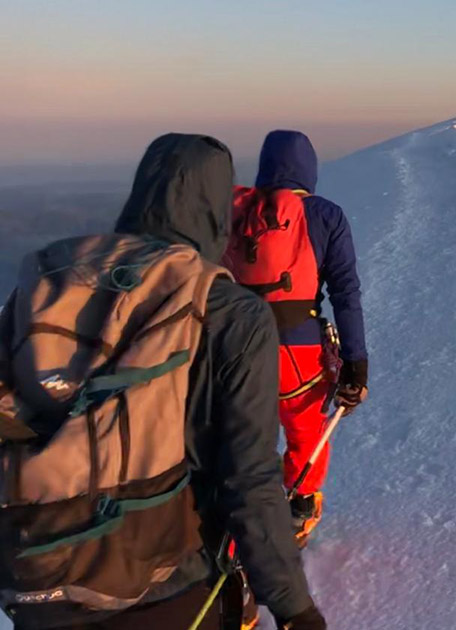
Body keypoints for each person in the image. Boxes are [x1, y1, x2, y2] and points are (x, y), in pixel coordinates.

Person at [0, 134, 325, 629]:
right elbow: (249, 478)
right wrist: (293, 607)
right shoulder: (229, 310)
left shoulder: (46, 287)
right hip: (166, 581)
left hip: (33, 572)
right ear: (219, 209)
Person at [227, 130, 369, 547]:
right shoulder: (324, 215)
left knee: (243, 438)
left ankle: (236, 523)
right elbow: (345, 292)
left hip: (233, 348)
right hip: (297, 350)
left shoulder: (234, 212)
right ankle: (298, 509)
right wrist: (356, 362)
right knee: (304, 430)